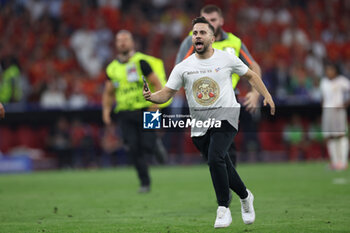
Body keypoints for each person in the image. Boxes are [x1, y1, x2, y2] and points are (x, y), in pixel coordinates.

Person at [143, 17, 275, 228]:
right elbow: (167, 92)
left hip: (227, 116)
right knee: (222, 163)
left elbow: (251, 76)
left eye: (202, 32)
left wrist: (266, 95)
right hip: (200, 124)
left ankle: (223, 208)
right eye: (195, 33)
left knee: (215, 158)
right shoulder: (183, 67)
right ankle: (245, 196)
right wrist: (152, 97)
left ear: (212, 38)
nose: (198, 36)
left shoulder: (226, 59)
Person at [175, 5, 262, 166]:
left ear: (221, 21)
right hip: (202, 99)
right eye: (205, 21)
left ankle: (228, 187)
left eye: (213, 20)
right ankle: (228, 182)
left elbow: (253, 66)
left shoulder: (234, 42)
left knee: (224, 144)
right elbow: (179, 69)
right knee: (210, 146)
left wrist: (255, 93)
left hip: (228, 98)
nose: (209, 25)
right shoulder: (192, 40)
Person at [102, 30, 170, 193]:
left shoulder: (141, 62)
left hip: (148, 108)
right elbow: (109, 92)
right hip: (125, 112)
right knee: (133, 149)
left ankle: (155, 144)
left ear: (132, 43)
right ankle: (145, 182)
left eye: (126, 39)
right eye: (119, 40)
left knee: (147, 145)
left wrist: (156, 104)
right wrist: (106, 111)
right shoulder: (112, 68)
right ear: (116, 44)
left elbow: (157, 84)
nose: (123, 42)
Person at [320, 62, 350, 171]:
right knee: (329, 136)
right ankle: (335, 162)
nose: (329, 72)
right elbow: (323, 97)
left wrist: (345, 104)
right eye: (327, 70)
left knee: (341, 135)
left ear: (335, 71)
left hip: (338, 111)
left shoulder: (342, 81)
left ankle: (343, 162)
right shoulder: (323, 82)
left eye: (331, 70)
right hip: (327, 112)